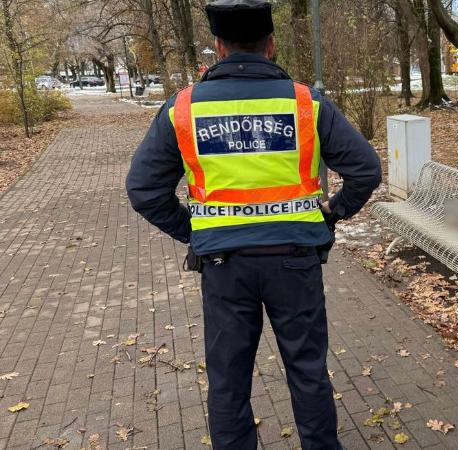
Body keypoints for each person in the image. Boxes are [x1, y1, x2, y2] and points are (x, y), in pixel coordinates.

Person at [125, 0, 382, 448]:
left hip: (224, 267)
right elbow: (366, 170)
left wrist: (196, 230)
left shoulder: (184, 109)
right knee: (307, 370)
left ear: (219, 48)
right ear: (272, 45)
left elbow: (143, 189)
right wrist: (334, 212)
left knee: (228, 379)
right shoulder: (305, 103)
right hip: (295, 263)